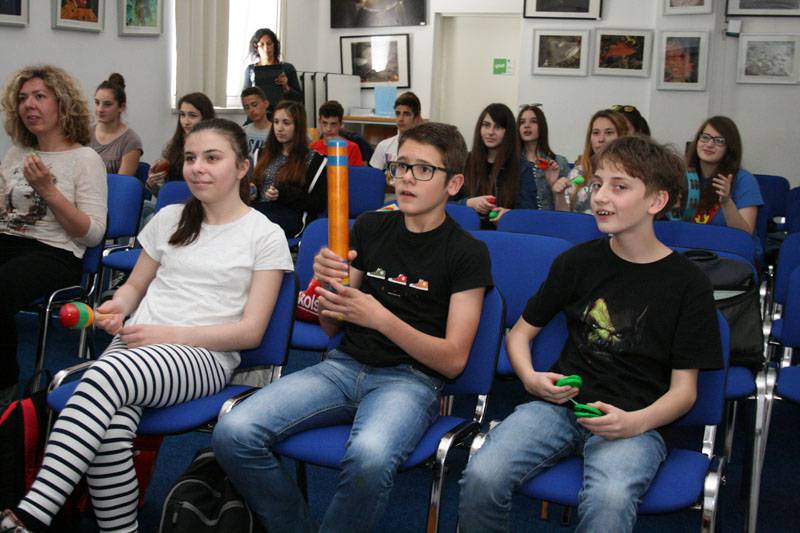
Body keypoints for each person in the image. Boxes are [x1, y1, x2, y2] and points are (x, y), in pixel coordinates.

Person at [0, 118, 293, 533]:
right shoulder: (170, 217)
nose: (197, 168)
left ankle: (33, 513)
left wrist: (162, 333)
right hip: (137, 347)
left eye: (212, 158)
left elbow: (250, 333)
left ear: (243, 167)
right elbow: (135, 286)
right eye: (190, 158)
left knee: (100, 378)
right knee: (111, 428)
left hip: (203, 356)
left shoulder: (265, 234)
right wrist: (116, 306)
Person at [213, 122, 493, 533]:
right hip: (342, 366)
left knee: (370, 458)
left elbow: (452, 362)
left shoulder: (468, 252)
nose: (407, 178)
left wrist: (380, 317)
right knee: (232, 432)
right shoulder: (371, 227)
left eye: (423, 170)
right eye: (401, 166)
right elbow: (331, 326)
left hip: (410, 381)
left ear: (454, 184)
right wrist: (328, 286)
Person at [458, 135, 723, 533]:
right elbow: (518, 335)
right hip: (560, 408)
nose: (600, 196)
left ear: (656, 201)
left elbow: (684, 392)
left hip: (635, 421)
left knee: (609, 502)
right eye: (597, 184)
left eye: (619, 187)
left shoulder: (688, 284)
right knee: (483, 474)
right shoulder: (577, 262)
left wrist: (634, 423)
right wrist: (530, 378)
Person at [0, 65, 107, 404]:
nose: (29, 105)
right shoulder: (16, 153)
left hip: (55, 252)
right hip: (8, 241)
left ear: (62, 104)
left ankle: (5, 391)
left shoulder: (85, 159)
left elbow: (92, 234)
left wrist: (48, 190)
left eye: (40, 96)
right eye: (23, 98)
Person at [252, 101, 326, 239]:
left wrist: (282, 194)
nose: (279, 128)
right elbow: (256, 186)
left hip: (292, 216)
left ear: (298, 127)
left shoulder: (315, 160)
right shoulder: (262, 153)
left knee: (254, 224)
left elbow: (317, 204)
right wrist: (252, 191)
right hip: (261, 211)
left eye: (286, 123)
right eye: (276, 122)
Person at [457, 103, 536, 227]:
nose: (490, 132)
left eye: (498, 127)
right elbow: (446, 204)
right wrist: (468, 203)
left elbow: (530, 213)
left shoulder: (523, 168)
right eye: (486, 125)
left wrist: (509, 215)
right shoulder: (464, 161)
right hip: (466, 231)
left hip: (504, 233)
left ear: (508, 132)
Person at [685, 115, 762, 236]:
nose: (709, 144)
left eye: (719, 141)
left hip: (726, 245)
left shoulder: (744, 180)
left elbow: (746, 234)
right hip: (687, 243)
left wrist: (726, 202)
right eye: (705, 137)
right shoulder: (683, 175)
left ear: (729, 148)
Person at [559, 109, 629, 213]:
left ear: (622, 136)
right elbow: (565, 216)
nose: (601, 139)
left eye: (609, 133)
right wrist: (559, 195)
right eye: (596, 133)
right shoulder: (579, 173)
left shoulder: (633, 173)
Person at [146, 92, 215, 196]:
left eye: (192, 116)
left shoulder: (214, 149)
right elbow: (166, 194)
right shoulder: (175, 145)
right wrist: (151, 184)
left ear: (205, 118)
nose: (186, 121)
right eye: (182, 115)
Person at [517, 104, 571, 210]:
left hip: (550, 219)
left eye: (533, 121)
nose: (527, 125)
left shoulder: (559, 162)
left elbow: (568, 211)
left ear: (542, 126)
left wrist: (554, 185)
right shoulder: (510, 163)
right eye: (522, 122)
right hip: (519, 219)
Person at [90, 73, 143, 176]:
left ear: (121, 107)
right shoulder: (84, 134)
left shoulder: (131, 141)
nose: (100, 109)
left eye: (107, 104)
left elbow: (121, 183)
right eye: (97, 103)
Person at [243, 28, 302, 112]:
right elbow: (244, 99)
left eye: (269, 44)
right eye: (262, 45)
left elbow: (299, 99)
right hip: (257, 115)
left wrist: (286, 87)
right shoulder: (250, 70)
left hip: (281, 114)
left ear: (274, 45)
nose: (266, 48)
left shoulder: (287, 68)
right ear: (256, 47)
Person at [369, 91, 423, 169]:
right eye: (398, 113)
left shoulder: (424, 148)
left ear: (417, 118)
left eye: (406, 114)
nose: (400, 119)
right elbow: (374, 175)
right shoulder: (384, 146)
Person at [310, 100, 364, 166]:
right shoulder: (313, 148)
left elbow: (356, 172)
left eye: (333, 124)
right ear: (319, 122)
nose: (328, 129)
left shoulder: (352, 148)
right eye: (324, 123)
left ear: (341, 124)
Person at [241, 86, 271, 157]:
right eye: (247, 107)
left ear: (266, 104)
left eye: (254, 105)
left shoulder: (276, 132)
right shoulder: (243, 132)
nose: (251, 110)